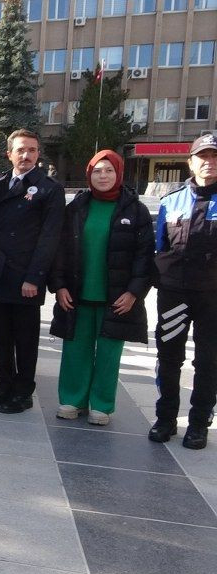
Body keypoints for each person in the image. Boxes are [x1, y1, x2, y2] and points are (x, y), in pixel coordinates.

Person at [49, 150, 152, 426]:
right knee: (75, 350)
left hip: (116, 297)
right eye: (97, 170)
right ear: (89, 174)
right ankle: (72, 399)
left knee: (108, 354)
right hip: (77, 294)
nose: (103, 176)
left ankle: (102, 404)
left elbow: (145, 256)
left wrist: (134, 292)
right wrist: (59, 286)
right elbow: (61, 249)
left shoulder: (135, 209)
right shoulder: (77, 207)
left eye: (108, 170)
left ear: (119, 173)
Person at [0, 129, 65, 414]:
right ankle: (3, 385)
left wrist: (34, 277)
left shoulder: (49, 189)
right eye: (20, 150)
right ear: (9, 154)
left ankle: (23, 390)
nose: (26, 155)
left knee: (25, 338)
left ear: (38, 154)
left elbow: (49, 238)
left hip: (26, 275)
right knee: (1, 335)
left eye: (31, 150)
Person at [150, 133, 217, 449]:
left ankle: (199, 423)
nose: (209, 162)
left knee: (208, 360)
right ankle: (165, 419)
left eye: (215, 157)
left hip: (213, 298)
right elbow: (159, 248)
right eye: (203, 156)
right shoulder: (171, 201)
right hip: (174, 294)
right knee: (169, 357)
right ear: (191, 162)